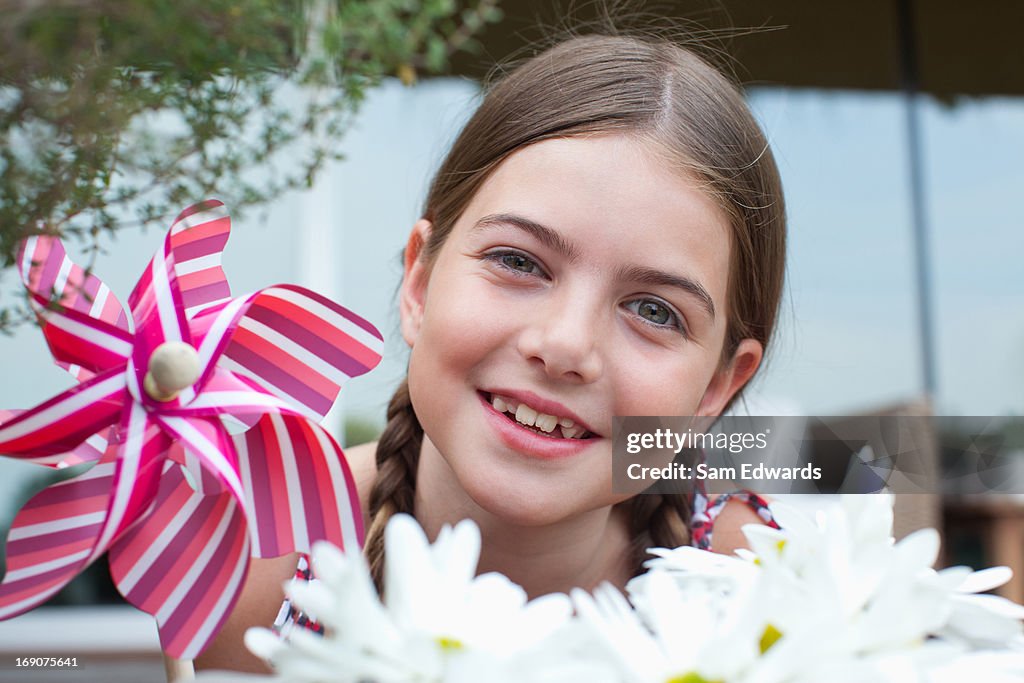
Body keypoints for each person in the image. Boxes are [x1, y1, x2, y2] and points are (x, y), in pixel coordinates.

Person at [196, 31, 786, 673]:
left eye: (653, 310)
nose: (565, 346)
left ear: (715, 390)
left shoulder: (765, 601)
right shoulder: (250, 562)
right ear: (419, 282)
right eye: (518, 262)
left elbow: (890, 462)